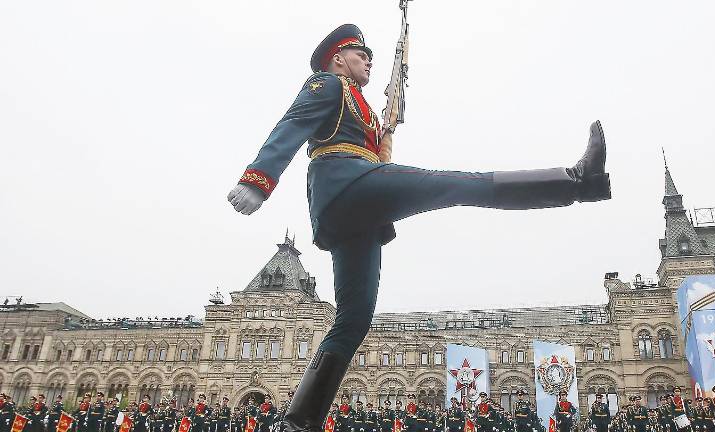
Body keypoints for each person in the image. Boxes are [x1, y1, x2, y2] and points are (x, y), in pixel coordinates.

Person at [227, 23, 612, 432]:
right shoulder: (327, 84)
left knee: (354, 319)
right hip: (345, 186)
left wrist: (384, 133)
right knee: (455, 183)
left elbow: (370, 149)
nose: (369, 62)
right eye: (361, 56)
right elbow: (293, 124)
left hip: (359, 210)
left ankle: (297, 423)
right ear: (338, 59)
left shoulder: (363, 106)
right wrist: (257, 180)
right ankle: (575, 180)